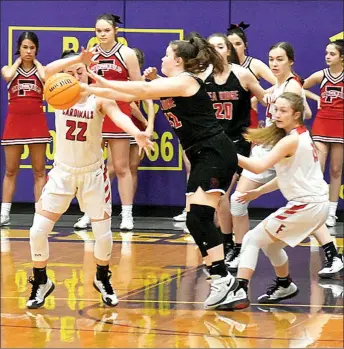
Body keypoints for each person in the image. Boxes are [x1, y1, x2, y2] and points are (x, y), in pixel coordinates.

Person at [82, 34, 239, 309]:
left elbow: (138, 90)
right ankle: (223, 279)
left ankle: (223, 279)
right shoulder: (169, 84)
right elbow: (130, 94)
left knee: (200, 217)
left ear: (179, 60)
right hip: (203, 155)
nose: (163, 59)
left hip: (214, 153)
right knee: (195, 220)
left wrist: (102, 82)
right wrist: (89, 91)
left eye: (167, 55)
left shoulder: (186, 81)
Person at [26, 49, 153, 309]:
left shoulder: (98, 97)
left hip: (93, 175)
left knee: (103, 236)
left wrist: (135, 132)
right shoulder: (58, 94)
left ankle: (102, 277)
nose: (75, 77)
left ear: (89, 72)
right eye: (70, 73)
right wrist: (76, 61)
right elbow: (48, 70)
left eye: (80, 72)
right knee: (37, 231)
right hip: (62, 173)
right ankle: (41, 281)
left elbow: (118, 115)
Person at [220, 92, 343, 310]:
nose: (277, 114)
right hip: (314, 204)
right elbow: (286, 175)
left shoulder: (291, 140)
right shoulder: (302, 135)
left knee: (251, 240)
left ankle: (239, 290)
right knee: (271, 246)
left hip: (307, 205)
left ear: (297, 114)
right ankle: (284, 283)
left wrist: (226, 151)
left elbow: (258, 167)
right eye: (276, 109)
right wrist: (259, 192)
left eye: (283, 111)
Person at [228, 42, 312, 272]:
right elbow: (306, 112)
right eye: (271, 59)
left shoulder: (292, 86)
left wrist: (262, 134)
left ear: (291, 61)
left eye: (280, 59)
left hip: (283, 149)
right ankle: (239, 249)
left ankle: (330, 253)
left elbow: (297, 117)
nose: (274, 64)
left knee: (308, 202)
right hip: (269, 146)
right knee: (238, 200)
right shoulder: (277, 86)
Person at [74, 13, 142, 231]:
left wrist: (124, 99)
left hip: (119, 111)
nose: (102, 34)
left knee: (121, 167)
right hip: (95, 113)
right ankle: (90, 213)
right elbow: (83, 82)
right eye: (98, 31)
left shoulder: (126, 53)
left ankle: (127, 215)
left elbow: (139, 86)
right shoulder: (90, 55)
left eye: (106, 30)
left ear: (115, 31)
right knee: (93, 168)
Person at [205, 32, 266, 260]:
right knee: (218, 196)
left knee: (223, 193)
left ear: (228, 50)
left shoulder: (242, 74)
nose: (216, 50)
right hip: (213, 142)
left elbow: (266, 98)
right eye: (212, 47)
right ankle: (229, 242)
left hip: (236, 143)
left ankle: (234, 245)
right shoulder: (203, 77)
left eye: (220, 46)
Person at [1, 31, 51, 226]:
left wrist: (37, 63)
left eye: (32, 47)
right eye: (25, 47)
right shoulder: (9, 68)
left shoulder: (41, 70)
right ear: (19, 48)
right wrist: (18, 61)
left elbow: (46, 77)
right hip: (15, 122)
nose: (28, 51)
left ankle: (40, 212)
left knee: (39, 171)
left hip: (36, 122)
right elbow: (7, 76)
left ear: (36, 49)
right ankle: (4, 213)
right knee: (11, 170)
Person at [303, 40, 344, 227]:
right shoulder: (321, 75)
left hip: (340, 124)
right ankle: (317, 209)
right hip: (322, 123)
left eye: (332, 54)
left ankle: (331, 212)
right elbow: (301, 86)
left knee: (336, 169)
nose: (327, 56)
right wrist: (316, 97)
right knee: (317, 168)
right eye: (326, 53)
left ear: (341, 57)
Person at [227, 22, 276, 127]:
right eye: (231, 45)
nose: (234, 48)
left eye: (238, 44)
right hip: (226, 119)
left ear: (245, 45)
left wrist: (257, 97)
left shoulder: (254, 65)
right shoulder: (222, 66)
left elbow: (281, 83)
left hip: (248, 118)